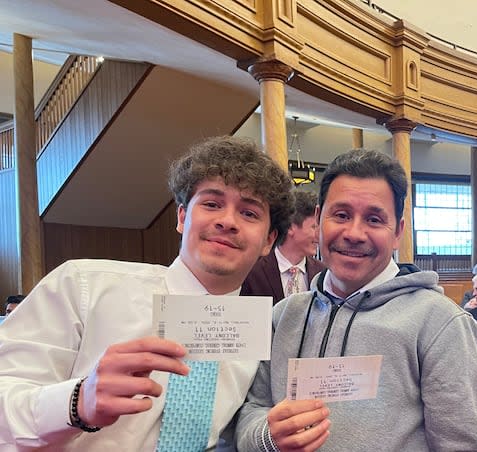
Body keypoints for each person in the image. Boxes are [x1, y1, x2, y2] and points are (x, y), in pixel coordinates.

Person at [0, 136, 294, 451]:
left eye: (249, 213)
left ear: (268, 240)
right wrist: (77, 402)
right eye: (212, 204)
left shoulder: (258, 336)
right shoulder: (84, 286)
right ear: (182, 217)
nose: (227, 221)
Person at [235, 149, 477, 451]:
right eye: (341, 215)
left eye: (373, 219)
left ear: (398, 232)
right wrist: (268, 437)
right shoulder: (284, 315)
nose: (354, 233)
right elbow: (252, 411)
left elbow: (464, 445)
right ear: (318, 220)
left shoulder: (440, 323)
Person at [241, 190, 325, 302]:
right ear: (290, 227)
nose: (319, 235)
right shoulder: (252, 271)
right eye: (314, 227)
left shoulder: (322, 273)